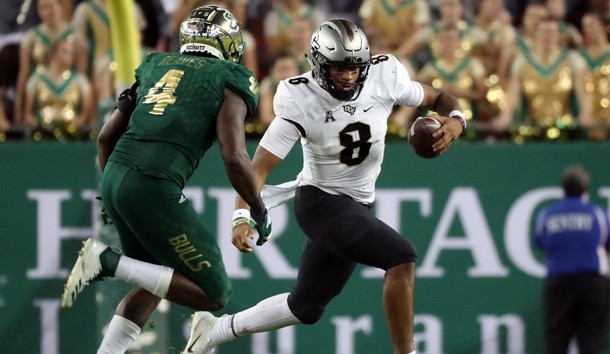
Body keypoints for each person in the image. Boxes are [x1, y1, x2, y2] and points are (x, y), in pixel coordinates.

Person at [183, 18, 466, 354]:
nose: (348, 76)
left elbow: (441, 96)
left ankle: (214, 330)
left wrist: (456, 122)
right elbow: (257, 168)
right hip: (320, 202)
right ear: (318, 65)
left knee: (305, 307)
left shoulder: (384, 75)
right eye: (338, 69)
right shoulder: (299, 97)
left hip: (356, 205)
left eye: (354, 68)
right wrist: (240, 215)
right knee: (401, 256)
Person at [59, 5, 271, 354]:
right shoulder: (231, 76)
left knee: (157, 278)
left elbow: (105, 137)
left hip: (115, 176)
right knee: (214, 293)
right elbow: (234, 157)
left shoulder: (155, 64)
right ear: (229, 44)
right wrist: (258, 209)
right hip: (153, 183)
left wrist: (110, 195)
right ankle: (108, 262)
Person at [534, 165, 610, 354]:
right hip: (592, 284)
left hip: (559, 283)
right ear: (585, 187)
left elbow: (540, 243)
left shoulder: (547, 215)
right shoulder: (597, 214)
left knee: (556, 340)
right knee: (591, 340)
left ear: (563, 187)